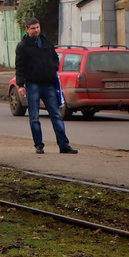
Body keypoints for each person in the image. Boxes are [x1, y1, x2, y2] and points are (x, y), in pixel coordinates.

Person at [15, 17, 78, 155]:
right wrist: (20, 85)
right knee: (34, 117)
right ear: (27, 29)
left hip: (48, 84)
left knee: (56, 115)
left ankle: (64, 145)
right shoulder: (23, 46)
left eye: (37, 27)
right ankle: (39, 145)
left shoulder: (46, 42)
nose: (36, 30)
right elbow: (19, 66)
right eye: (33, 28)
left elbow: (55, 57)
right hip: (33, 84)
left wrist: (53, 68)